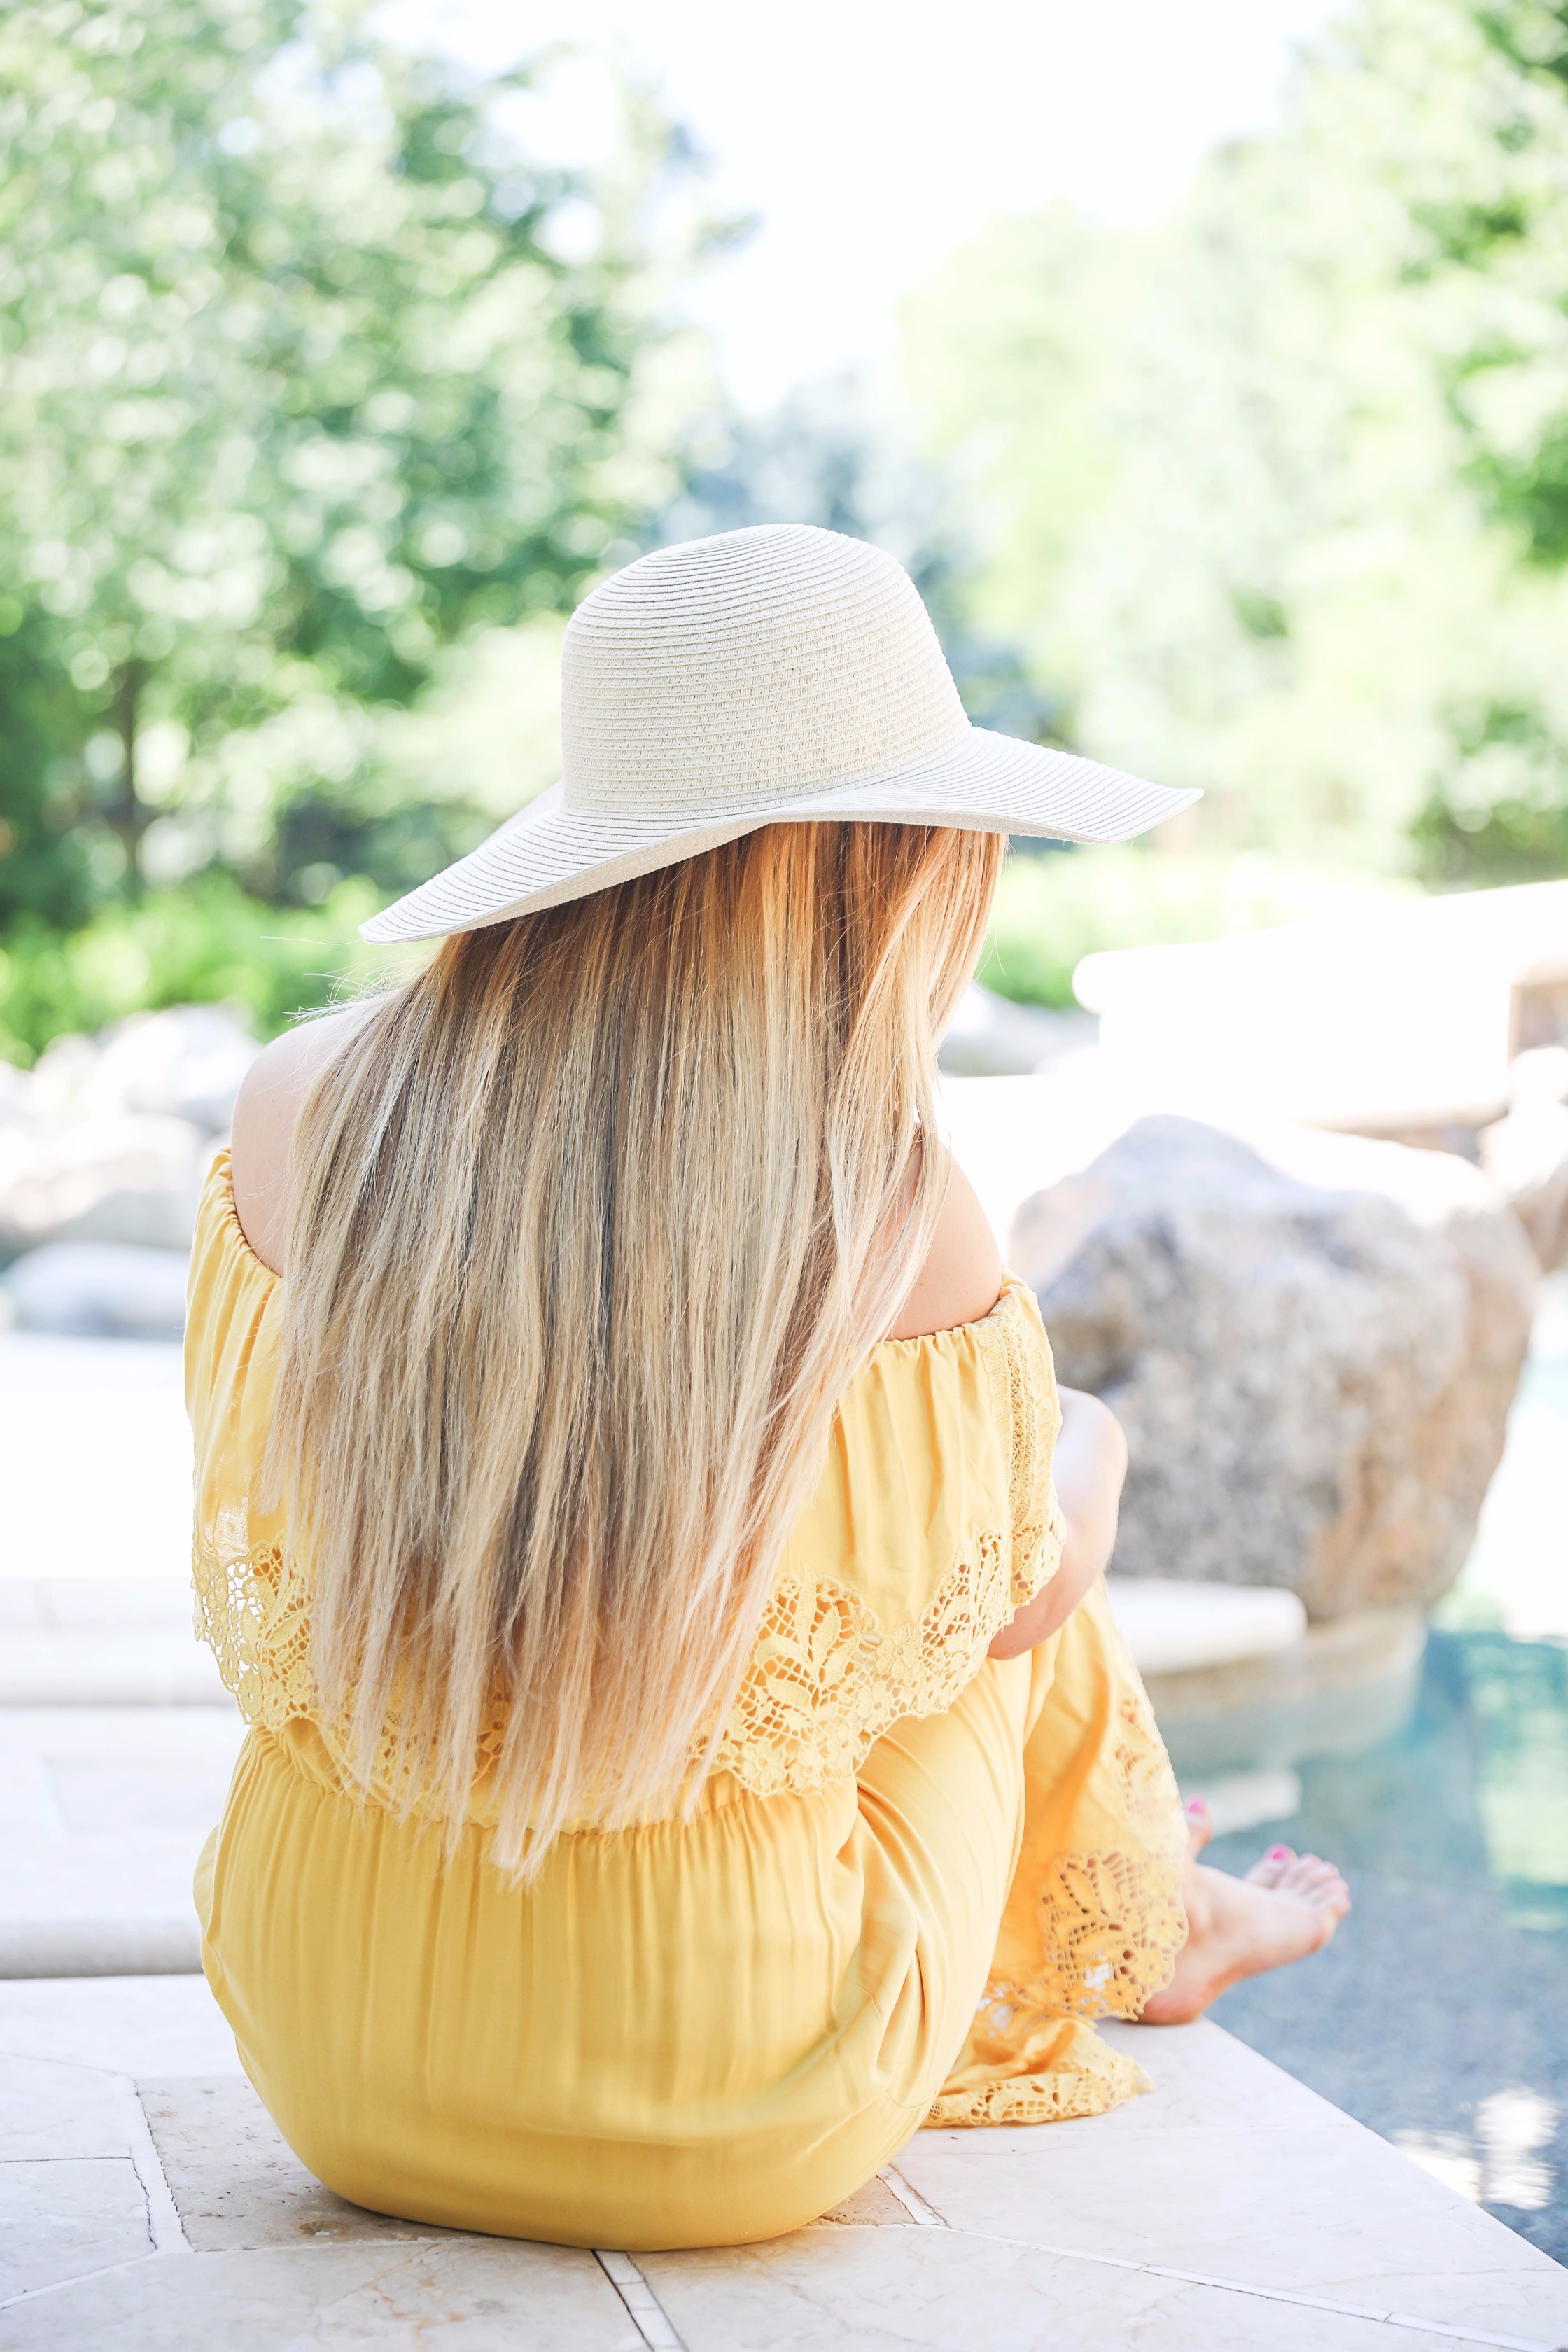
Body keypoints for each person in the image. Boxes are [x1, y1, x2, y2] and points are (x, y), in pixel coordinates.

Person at [190, 524, 1348, 2253]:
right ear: (886, 868)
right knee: (1020, 1551)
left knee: (865, 1576)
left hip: (324, 2048)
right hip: (718, 2094)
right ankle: (1147, 1918)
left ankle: (1155, 1906)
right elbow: (1014, 1612)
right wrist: (1085, 1451)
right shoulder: (882, 1197)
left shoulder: (299, 1105)